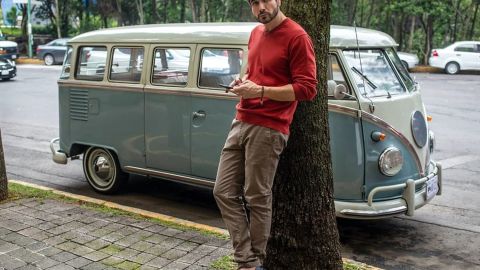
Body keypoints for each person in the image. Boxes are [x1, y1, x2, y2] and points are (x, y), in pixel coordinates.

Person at [213, 0, 318, 269]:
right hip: (241, 119)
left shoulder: (297, 36)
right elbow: (253, 73)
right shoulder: (255, 33)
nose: (261, 7)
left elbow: (307, 89)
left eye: (265, 0)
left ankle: (251, 263)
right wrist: (242, 83)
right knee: (223, 191)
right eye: (254, 3)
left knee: (256, 196)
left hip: (270, 126)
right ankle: (247, 257)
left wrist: (259, 91)